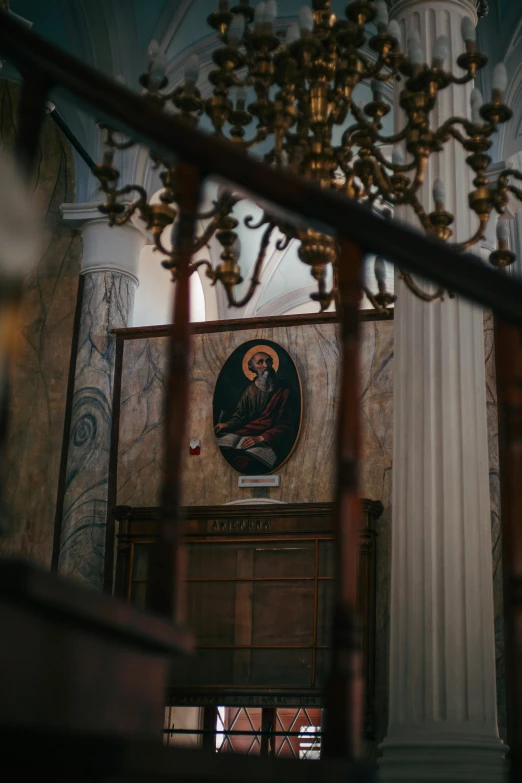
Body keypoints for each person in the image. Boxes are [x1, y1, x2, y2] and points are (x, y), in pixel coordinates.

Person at [214, 351, 297, 471]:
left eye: (268, 361)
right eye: (260, 362)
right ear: (253, 368)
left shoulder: (284, 390)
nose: (266, 365)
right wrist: (226, 424)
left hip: (272, 439)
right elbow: (240, 416)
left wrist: (261, 438)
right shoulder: (249, 391)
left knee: (247, 463)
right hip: (247, 436)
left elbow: (286, 424)